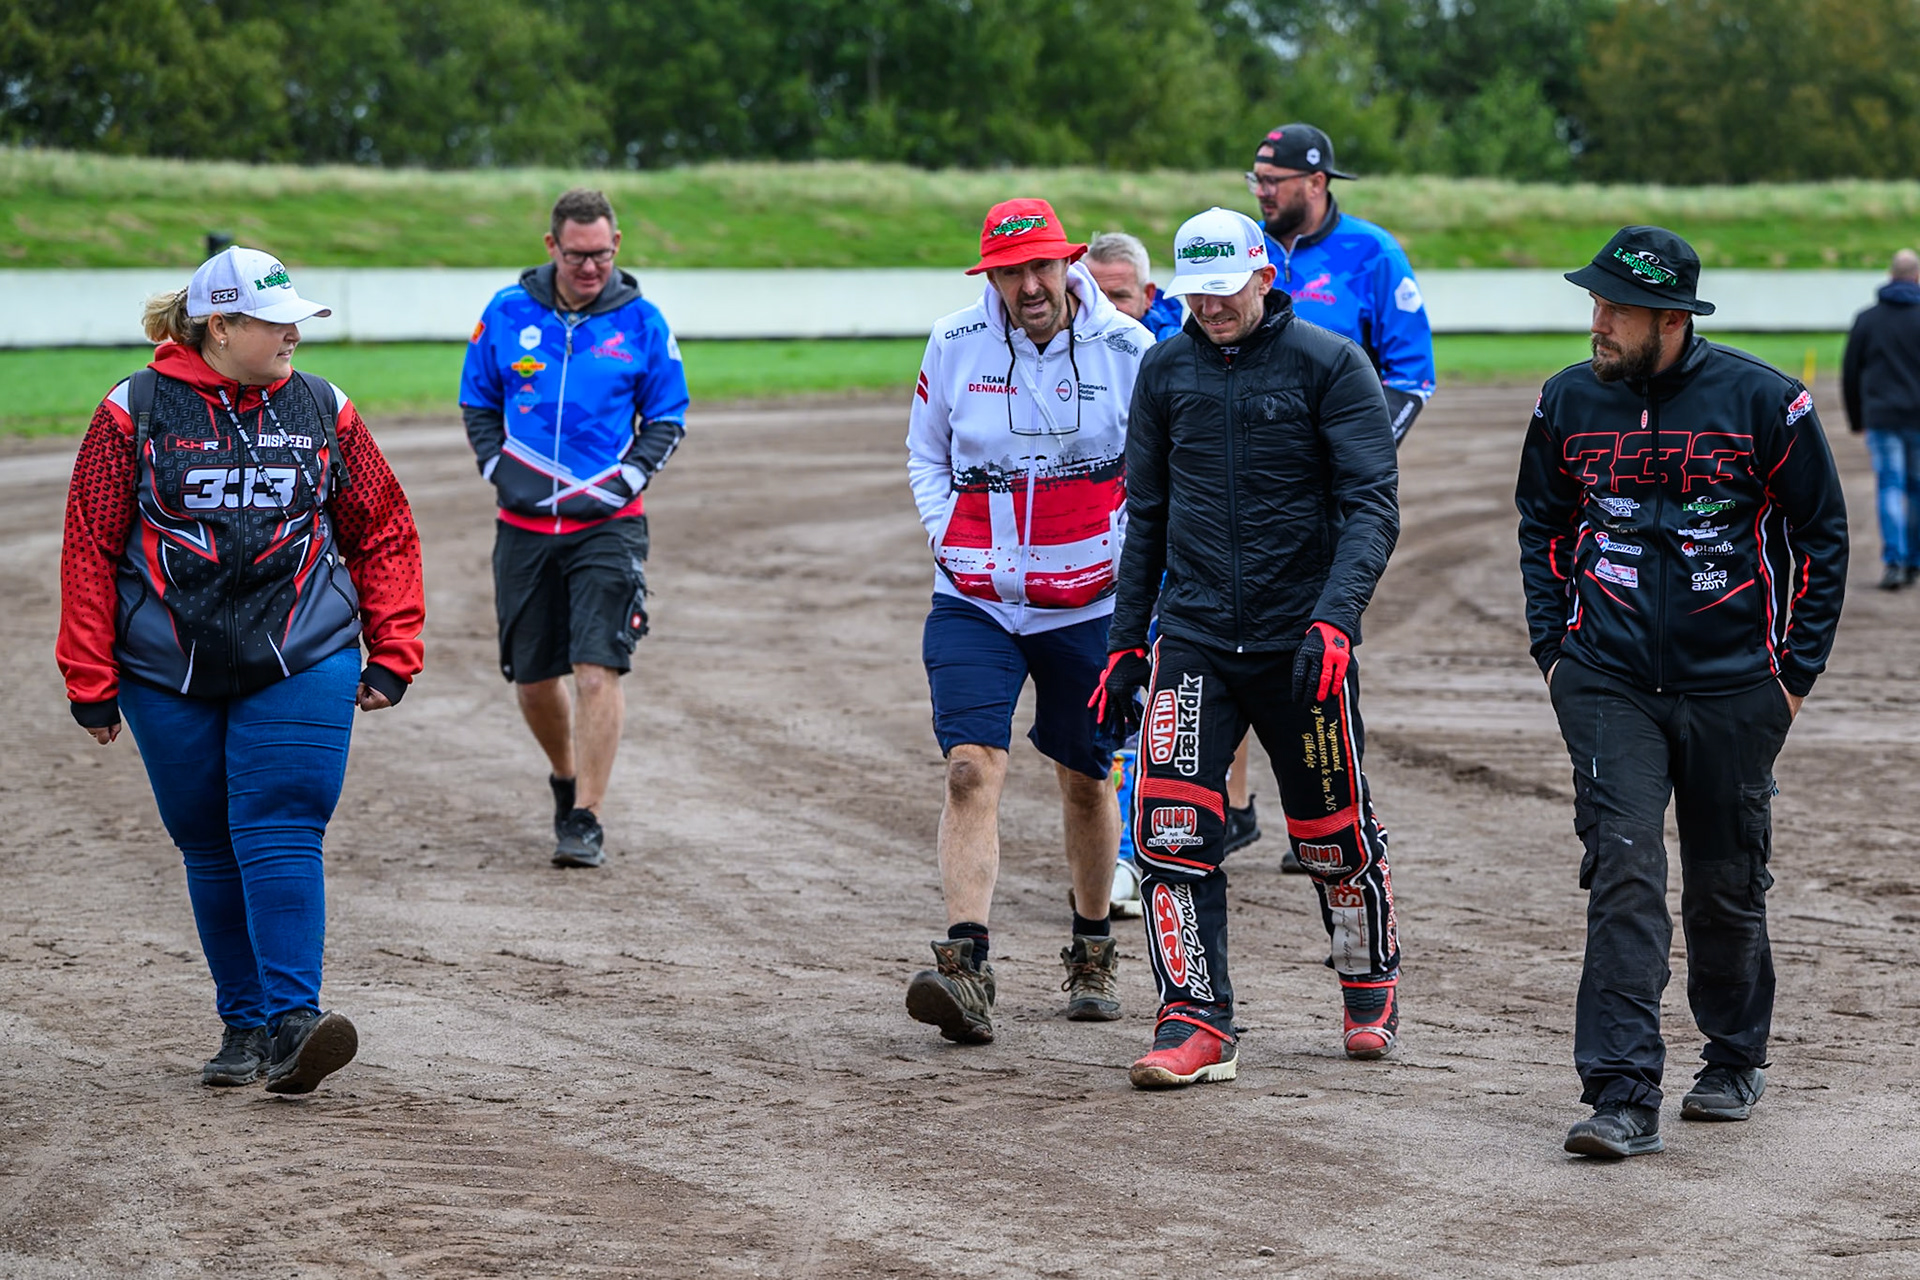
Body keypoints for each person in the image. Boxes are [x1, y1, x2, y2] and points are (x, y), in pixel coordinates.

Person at [57, 247, 425, 1094]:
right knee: (206, 839)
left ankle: (297, 1018)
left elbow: (383, 529)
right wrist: (89, 675)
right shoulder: (133, 410)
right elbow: (90, 545)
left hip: (303, 650)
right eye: (275, 320)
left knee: (282, 820)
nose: (294, 332)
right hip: (164, 667)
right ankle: (245, 1024)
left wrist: (393, 644)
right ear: (221, 326)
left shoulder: (324, 407)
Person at [1517, 227, 1848, 1158]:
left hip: (1738, 685)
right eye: (1594, 302)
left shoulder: (1765, 401)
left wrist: (1792, 677)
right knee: (1624, 872)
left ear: (1671, 318)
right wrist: (1556, 653)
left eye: (1615, 308)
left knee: (1724, 882)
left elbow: (1821, 540)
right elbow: (1541, 524)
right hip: (1606, 679)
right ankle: (1621, 1095)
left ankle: (1733, 1056)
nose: (1597, 322)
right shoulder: (1565, 401)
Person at [1095, 207, 1403, 1089]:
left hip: (1302, 642)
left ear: (1265, 275)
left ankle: (1366, 978)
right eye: (1196, 293)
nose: (1211, 307)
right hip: (1193, 639)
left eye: (1225, 291)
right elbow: (1144, 517)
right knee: (1167, 831)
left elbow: (1373, 507)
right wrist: (1125, 647)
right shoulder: (1164, 370)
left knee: (1328, 833)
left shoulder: (1332, 365)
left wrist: (1336, 618)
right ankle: (1193, 1019)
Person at [904, 198, 1154, 1044]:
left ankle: (1091, 948)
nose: (1029, 284)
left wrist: (1130, 569)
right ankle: (966, 969)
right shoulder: (953, 343)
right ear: (993, 277)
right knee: (970, 769)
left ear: (1065, 264)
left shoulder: (1129, 349)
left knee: (1086, 776)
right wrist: (951, 538)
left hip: (1089, 605)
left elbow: (1160, 472)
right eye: (1011, 271)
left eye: (1041, 266)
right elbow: (926, 452)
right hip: (974, 599)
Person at [460, 188, 689, 869]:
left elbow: (668, 419)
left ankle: (586, 815)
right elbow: (477, 402)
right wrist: (501, 468)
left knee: (597, 670)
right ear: (551, 247)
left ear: (616, 245)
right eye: (578, 254)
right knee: (534, 679)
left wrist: (624, 482)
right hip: (523, 525)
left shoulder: (643, 323)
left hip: (608, 526)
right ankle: (564, 779)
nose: (591, 267)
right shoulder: (505, 313)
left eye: (603, 254)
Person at [1229, 123, 1438, 868]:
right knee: (1227, 634)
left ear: (1317, 182)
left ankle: (1327, 816)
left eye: (1273, 181)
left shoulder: (1374, 255)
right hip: (1241, 490)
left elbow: (1412, 376)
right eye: (1256, 180)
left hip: (1329, 497)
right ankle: (1237, 807)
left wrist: (1352, 465)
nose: (1261, 193)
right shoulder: (1245, 252)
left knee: (1322, 644)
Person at [1841, 248, 1920, 590]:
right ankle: (1913, 561)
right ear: (1916, 278)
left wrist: (1857, 417)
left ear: (1890, 276)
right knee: (1917, 488)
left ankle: (1895, 561)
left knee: (1890, 484)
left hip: (1882, 416)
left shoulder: (1867, 319)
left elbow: (1850, 372)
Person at [1085, 232, 1183, 342]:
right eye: (1095, 296)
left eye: (1119, 296)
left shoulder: (1175, 352)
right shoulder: (1066, 339)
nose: (1106, 307)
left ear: (1148, 295)